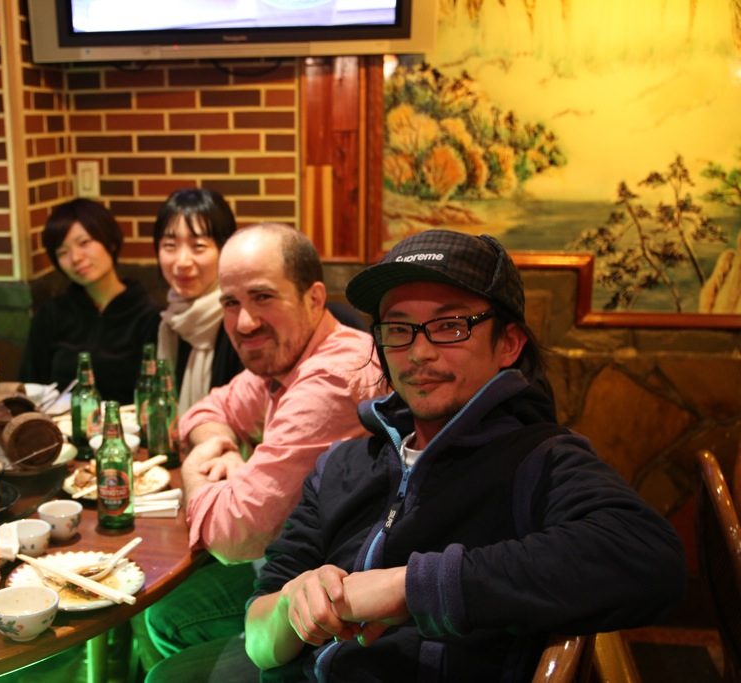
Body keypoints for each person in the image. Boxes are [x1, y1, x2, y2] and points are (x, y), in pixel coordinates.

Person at [237, 230, 686, 681]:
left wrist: (408, 587)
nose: (419, 352)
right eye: (398, 329)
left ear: (509, 344)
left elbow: (648, 557)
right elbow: (258, 637)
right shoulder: (340, 465)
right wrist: (293, 607)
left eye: (450, 326)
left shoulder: (537, 459)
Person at [144, 223, 388, 667]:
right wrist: (221, 445)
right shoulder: (287, 356)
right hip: (291, 564)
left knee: (163, 619)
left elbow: (234, 535)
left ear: (314, 299)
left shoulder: (331, 379)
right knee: (156, 605)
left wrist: (197, 470)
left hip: (338, 597)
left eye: (263, 297)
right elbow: (206, 410)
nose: (244, 322)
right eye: (230, 303)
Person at [19, 197, 160, 405]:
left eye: (84, 243)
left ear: (110, 242)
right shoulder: (51, 315)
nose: (75, 258)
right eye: (62, 252)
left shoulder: (148, 316)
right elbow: (29, 385)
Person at [153, 188, 243, 411]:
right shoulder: (168, 323)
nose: (182, 261)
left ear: (225, 249)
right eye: (170, 246)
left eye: (199, 246)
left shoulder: (241, 324)